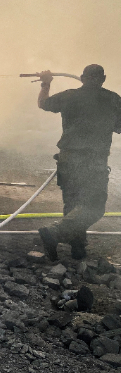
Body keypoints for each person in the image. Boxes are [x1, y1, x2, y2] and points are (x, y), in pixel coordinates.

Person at [37, 65, 121, 260]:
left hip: (68, 160)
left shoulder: (70, 96)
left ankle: (78, 248)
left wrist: (46, 83)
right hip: (93, 162)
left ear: (82, 78)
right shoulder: (113, 100)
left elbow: (43, 103)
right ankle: (54, 233)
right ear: (103, 78)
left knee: (74, 204)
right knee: (94, 206)